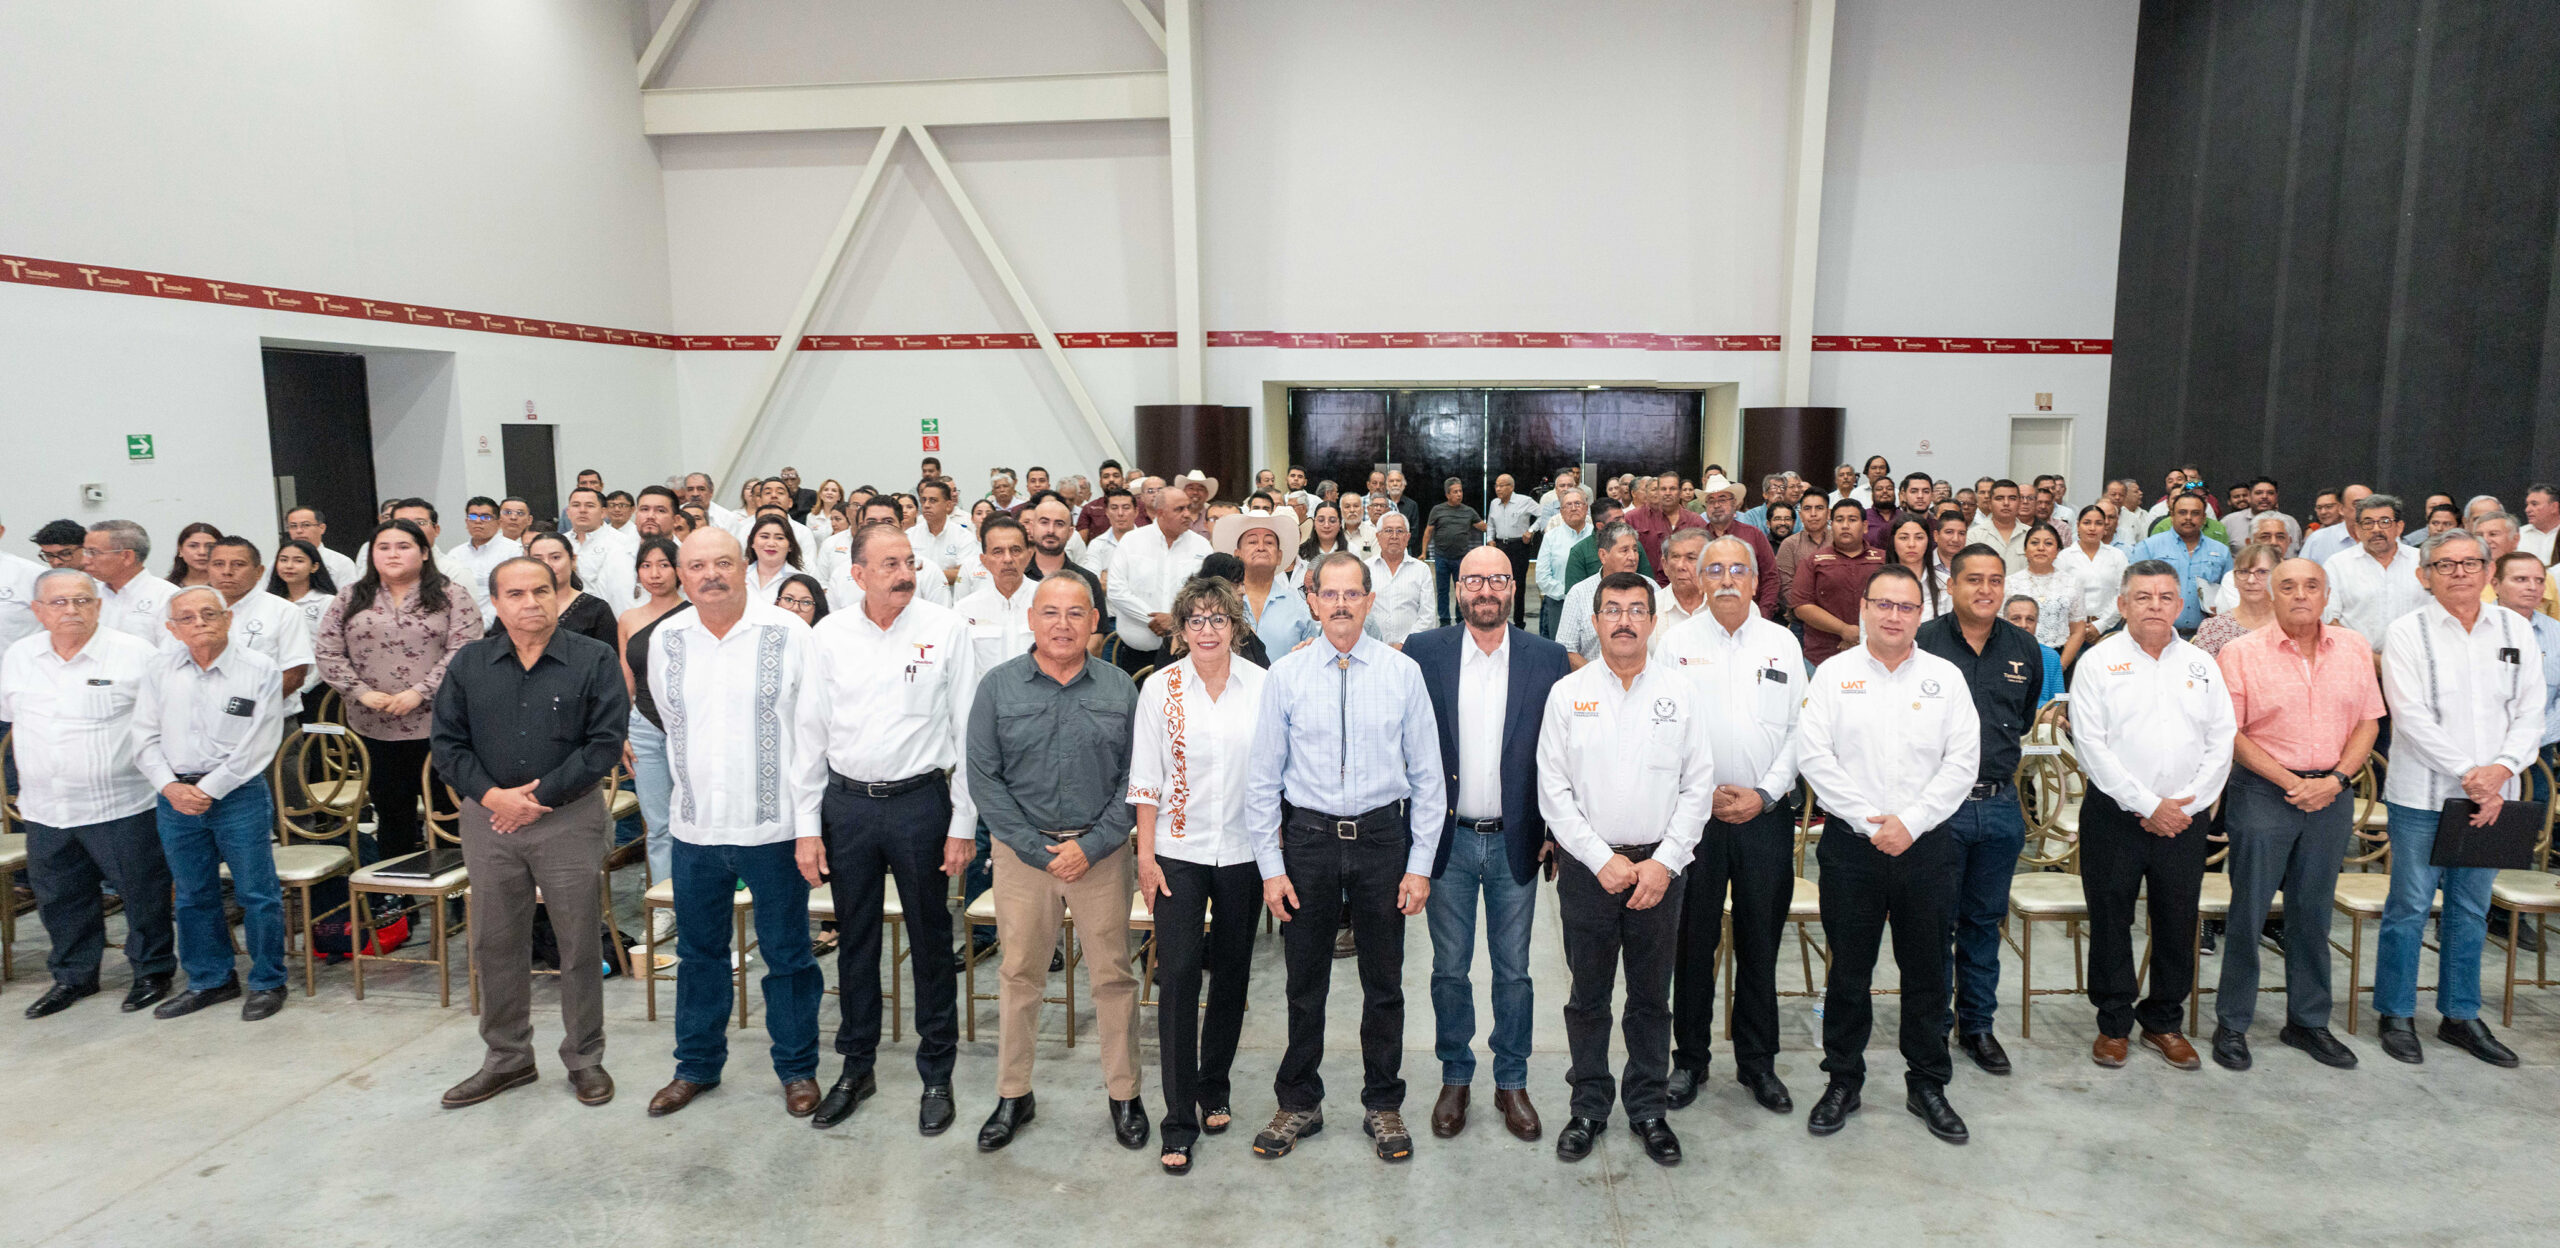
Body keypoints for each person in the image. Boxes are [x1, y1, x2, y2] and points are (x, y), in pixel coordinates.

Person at [1242, 551, 1445, 1163]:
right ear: (1311, 601)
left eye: (1351, 594)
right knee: (1306, 982)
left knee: (1384, 983)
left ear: (1368, 599)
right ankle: (1299, 1100)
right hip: (1307, 841)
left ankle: (1382, 1102)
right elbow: (1260, 782)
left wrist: (1420, 864)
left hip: (1385, 840)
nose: (1339, 605)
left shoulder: (1403, 674)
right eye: (1327, 594)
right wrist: (1270, 870)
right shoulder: (1286, 675)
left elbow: (1430, 778)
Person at [798, 522, 978, 1133]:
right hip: (846, 808)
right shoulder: (828, 636)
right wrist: (807, 826)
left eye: (909, 562)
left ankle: (937, 1073)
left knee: (931, 942)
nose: (904, 573)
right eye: (889, 564)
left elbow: (966, 735)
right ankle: (856, 1067)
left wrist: (962, 822)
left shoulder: (946, 630)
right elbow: (809, 736)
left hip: (920, 805)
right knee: (855, 942)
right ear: (857, 575)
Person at [640, 530, 826, 1121]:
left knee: (789, 956)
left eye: (723, 562)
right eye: (697, 566)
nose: (711, 575)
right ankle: (695, 1066)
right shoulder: (665, 639)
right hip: (696, 828)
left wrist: (808, 826)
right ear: (680, 574)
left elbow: (814, 733)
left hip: (773, 828)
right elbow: (671, 725)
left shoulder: (790, 633)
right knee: (699, 956)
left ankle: (797, 1070)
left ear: (745, 566)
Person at [429, 557, 629, 1108]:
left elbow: (604, 744)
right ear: (495, 603)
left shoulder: (594, 658)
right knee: (495, 941)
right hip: (489, 819)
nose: (530, 603)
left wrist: (536, 799)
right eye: (515, 593)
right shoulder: (469, 664)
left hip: (567, 818)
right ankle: (508, 1058)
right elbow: (447, 744)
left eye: (541, 590)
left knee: (578, 941)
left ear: (558, 594)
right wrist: (495, 798)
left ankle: (585, 1057)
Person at [1795, 564, 1979, 1144]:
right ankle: (1843, 1079)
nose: (1893, 616)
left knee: (1927, 971)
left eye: (1906, 607)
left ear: (1920, 614)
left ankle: (1927, 1083)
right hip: (1854, 850)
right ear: (1864, 609)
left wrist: (1911, 822)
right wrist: (1871, 822)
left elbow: (1961, 763)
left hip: (1928, 849)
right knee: (1849, 971)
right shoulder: (1832, 675)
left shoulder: (1946, 679)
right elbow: (1814, 755)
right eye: (1883, 605)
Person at [1532, 571, 1710, 1166]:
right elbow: (1552, 789)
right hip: (1590, 868)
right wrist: (1599, 857)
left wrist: (1664, 863)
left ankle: (1648, 1108)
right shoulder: (1569, 693)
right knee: (1588, 996)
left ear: (1654, 623)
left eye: (1637, 609)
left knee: (1650, 998)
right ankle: (1588, 1105)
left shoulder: (1680, 693)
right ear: (1596, 620)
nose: (1625, 620)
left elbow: (1698, 787)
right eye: (1613, 610)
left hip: (1663, 866)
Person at [965, 575, 1146, 1153]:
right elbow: (983, 779)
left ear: (1096, 621)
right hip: (1025, 857)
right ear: (1031, 619)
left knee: (1114, 977)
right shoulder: (997, 688)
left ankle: (1125, 1094)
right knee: (1020, 974)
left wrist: (1090, 846)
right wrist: (1032, 846)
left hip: (1102, 854)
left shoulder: (1119, 688)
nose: (1062, 624)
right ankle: (1014, 1093)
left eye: (1075, 613)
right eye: (1050, 612)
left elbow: (1136, 780)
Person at [1406, 547, 1571, 1145]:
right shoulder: (1424, 653)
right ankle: (1455, 1075)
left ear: (1513, 587)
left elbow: (1562, 754)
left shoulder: (1548, 659)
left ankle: (1512, 1079)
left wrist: (1555, 829)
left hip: (1516, 843)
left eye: (1498, 580)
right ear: (1458, 590)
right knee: (1448, 969)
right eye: (1473, 579)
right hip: (1446, 841)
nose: (1485, 590)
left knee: (1515, 972)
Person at [2372, 529, 2542, 1067]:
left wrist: (2499, 771)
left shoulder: (2515, 628)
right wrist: (2471, 772)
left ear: (2490, 572)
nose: (2461, 572)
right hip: (2422, 795)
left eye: (2472, 563)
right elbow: (2410, 714)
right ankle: (2395, 1013)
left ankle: (2461, 1015)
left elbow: (2531, 710)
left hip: (2495, 799)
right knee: (2409, 908)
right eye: (2446, 565)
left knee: (2470, 910)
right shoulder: (2407, 631)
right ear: (2425, 576)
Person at [2210, 557, 2381, 1072]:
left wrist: (2336, 781)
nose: (2300, 595)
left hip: (2332, 793)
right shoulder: (2240, 652)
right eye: (2288, 586)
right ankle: (2233, 1023)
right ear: (2271, 592)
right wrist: (2291, 782)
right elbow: (2231, 733)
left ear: (2327, 595)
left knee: (2313, 912)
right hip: (2264, 792)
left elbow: (2369, 721)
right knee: (2249, 913)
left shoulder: (2352, 648)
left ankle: (2307, 1022)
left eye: (2312, 586)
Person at [1657, 535, 1805, 1115]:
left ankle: (1757, 1062)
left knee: (1760, 942)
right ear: (1694, 576)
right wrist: (1701, 796)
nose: (1724, 578)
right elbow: (1663, 729)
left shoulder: (1782, 644)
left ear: (1753, 578)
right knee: (1692, 943)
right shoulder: (1674, 644)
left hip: (1764, 817)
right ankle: (1689, 1060)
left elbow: (1800, 730)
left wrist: (1765, 793)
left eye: (1735, 569)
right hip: (1694, 821)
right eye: (1711, 568)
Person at [2069, 561, 2236, 1071]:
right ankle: (2113, 1024)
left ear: (2180, 606)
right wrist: (2147, 805)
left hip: (2184, 820)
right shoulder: (2097, 663)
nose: (2155, 606)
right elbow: (2091, 745)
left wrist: (2185, 805)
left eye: (2166, 597)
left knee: (2176, 921)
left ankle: (2164, 1021)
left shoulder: (2202, 665)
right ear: (2122, 605)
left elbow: (2221, 738)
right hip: (2115, 816)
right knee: (2112, 919)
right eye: (2142, 597)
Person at [1128, 575, 1270, 1173]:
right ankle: (1178, 1118)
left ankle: (1215, 1085)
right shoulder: (1160, 689)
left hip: (1244, 851)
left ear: (1235, 626)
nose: (1206, 630)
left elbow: (1276, 775)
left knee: (1233, 975)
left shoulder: (1265, 687)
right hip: (1178, 853)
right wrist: (1145, 854)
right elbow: (1146, 775)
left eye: (1217, 619)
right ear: (1180, 631)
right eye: (1195, 620)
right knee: (1180, 975)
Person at [3, 569, 177, 1017]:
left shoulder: (133, 654)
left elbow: (165, 722)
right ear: (38, 611)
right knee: (61, 897)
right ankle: (74, 977)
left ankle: (152, 971)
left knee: (142, 891)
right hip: (46, 809)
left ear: (98, 606)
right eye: (59, 603)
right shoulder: (20, 656)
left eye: (83, 601)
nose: (72, 611)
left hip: (121, 805)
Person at [1905, 544, 2044, 1076]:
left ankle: (1978, 1026)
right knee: (1935, 924)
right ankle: (1932, 1026)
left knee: (1985, 922)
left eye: (1995, 580)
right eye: (1973, 581)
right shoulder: (1925, 642)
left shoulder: (2024, 648)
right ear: (1951, 587)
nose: (1986, 590)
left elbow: (2024, 716)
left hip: (2002, 806)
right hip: (1939, 809)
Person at [123, 586, 285, 1022]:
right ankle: (210, 979)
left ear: (228, 618)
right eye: (187, 618)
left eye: (208, 614)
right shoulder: (159, 669)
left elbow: (261, 742)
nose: (199, 623)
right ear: (172, 629)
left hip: (238, 796)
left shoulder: (259, 669)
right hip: (174, 796)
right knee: (193, 895)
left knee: (257, 893)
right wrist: (169, 786)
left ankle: (268, 980)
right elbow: (143, 735)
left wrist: (210, 788)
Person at [315, 519, 483, 858]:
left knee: (449, 813)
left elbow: (466, 650)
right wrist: (360, 692)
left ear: (423, 553)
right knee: (392, 817)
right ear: (372, 555)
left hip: (441, 725)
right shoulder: (350, 596)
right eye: (384, 547)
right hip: (375, 725)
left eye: (403, 546)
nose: (393, 554)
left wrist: (420, 691)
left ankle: (456, 899)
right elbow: (327, 651)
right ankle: (399, 902)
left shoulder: (451, 595)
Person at [616, 535, 689, 939]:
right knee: (658, 825)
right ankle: (666, 905)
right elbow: (626, 681)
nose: (655, 573)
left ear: (678, 569)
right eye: (647, 565)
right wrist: (621, 731)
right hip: (643, 726)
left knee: (696, 819)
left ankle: (702, 899)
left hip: (691, 726)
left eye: (663, 564)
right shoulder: (629, 618)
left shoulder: (695, 612)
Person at [1107, 485, 1210, 677]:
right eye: (1179, 509)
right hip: (1136, 655)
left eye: (1188, 508)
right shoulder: (1132, 541)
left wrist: (1176, 620)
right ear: (1160, 513)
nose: (1188, 514)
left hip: (1185, 654)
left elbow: (1208, 595)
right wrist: (1153, 619)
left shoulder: (1202, 546)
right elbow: (1116, 591)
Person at [205, 537, 313, 716]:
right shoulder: (195, 611)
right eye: (218, 564)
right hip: (207, 720)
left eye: (238, 564)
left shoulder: (284, 611)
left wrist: (248, 709)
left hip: (268, 720)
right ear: (208, 569)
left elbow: (295, 675)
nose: (227, 571)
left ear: (259, 571)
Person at [2323, 494, 2424, 659]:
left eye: (2385, 522)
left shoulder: (2422, 562)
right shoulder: (2337, 565)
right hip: (2356, 663)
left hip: (2415, 663)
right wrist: (2370, 660)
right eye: (2368, 523)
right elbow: (2330, 622)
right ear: (2357, 529)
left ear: (2399, 527)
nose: (2376, 529)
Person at [1791, 499, 1885, 667]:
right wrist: (1844, 630)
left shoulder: (1883, 560)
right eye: (1839, 520)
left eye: (1852, 520)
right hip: (1823, 656)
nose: (1845, 525)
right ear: (1831, 525)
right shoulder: (1813, 561)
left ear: (1864, 526)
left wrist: (1860, 635)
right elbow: (1801, 606)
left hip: (1877, 654)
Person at [2132, 492, 2231, 634]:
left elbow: (2230, 594)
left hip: (2205, 637)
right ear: (2172, 515)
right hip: (2157, 633)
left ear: (2204, 518)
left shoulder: (2221, 551)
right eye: (2182, 512)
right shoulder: (2149, 547)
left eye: (2195, 513)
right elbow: (2134, 591)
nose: (2188, 518)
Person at [1556, 522, 1644, 667]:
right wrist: (1598, 679)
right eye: (1624, 550)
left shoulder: (1651, 588)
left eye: (1635, 550)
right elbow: (1567, 649)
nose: (1632, 557)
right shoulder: (1579, 594)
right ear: (1603, 555)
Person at [1692, 474, 1781, 617]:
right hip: (1705, 616)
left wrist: (1762, 615)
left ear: (1734, 503)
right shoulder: (1697, 539)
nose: (1716, 505)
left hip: (1750, 615)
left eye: (1722, 499)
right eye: (1711, 501)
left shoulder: (1754, 535)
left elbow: (1770, 578)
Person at [520, 531, 619, 650]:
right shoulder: (517, 606)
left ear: (573, 560)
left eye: (555, 557)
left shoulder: (597, 610)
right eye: (538, 559)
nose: (547, 565)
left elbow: (610, 661)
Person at [84, 520, 179, 642]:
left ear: (127, 557)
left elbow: (172, 654)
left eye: (93, 552)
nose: (85, 561)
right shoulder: (88, 593)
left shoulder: (167, 597)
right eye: (85, 552)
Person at [2010, 524, 2088, 669]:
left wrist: (2059, 667)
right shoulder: (2010, 583)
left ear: (2057, 551)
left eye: (2048, 543)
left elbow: (2078, 631)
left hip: (2061, 658)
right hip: (2019, 660)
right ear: (2025, 550)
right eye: (2034, 543)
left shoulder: (2072, 583)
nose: (2041, 548)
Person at [445, 497, 523, 626]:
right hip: (462, 626)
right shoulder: (455, 554)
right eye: (473, 517)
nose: (478, 521)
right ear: (466, 521)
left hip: (501, 625)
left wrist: (484, 624)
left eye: (486, 517)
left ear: (499, 523)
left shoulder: (513, 551)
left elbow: (514, 594)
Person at [2195, 541, 2280, 655]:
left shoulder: (2289, 625)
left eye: (2262, 572)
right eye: (2243, 572)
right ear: (2234, 579)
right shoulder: (2213, 629)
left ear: (2277, 577)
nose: (2251, 580)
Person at [2058, 504, 2129, 638]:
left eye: (2098, 523)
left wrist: (2101, 625)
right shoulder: (2064, 557)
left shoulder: (2117, 556)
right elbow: (2059, 594)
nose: (2092, 528)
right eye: (2087, 523)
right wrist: (2077, 625)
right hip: (2071, 630)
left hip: (2109, 629)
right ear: (2078, 526)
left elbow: (2124, 593)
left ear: (2105, 528)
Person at [1422, 477, 1485, 627]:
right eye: (1455, 492)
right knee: (1442, 591)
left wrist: (1497, 527)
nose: (1459, 494)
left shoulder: (1468, 511)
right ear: (1447, 494)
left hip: (1461, 559)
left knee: (1462, 591)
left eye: (1460, 491)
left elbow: (1483, 526)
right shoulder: (1437, 510)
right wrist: (1423, 552)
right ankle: (1444, 621)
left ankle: (1461, 619)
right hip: (1442, 557)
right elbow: (1428, 532)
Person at [1534, 486, 1594, 639]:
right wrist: (1569, 594)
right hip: (1560, 604)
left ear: (1586, 508)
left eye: (1578, 504)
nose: (1573, 508)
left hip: (1595, 604)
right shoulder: (1551, 537)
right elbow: (1542, 577)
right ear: (1561, 511)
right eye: (1568, 505)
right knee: (1561, 650)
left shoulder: (1597, 536)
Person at [1483, 474, 1540, 628]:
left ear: (1511, 487)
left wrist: (1531, 530)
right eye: (1496, 485)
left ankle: (1519, 623)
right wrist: (1490, 539)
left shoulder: (1525, 501)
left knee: (1518, 586)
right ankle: (1499, 619)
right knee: (1498, 584)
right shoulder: (1494, 503)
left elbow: (1543, 515)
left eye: (1502, 485)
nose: (1498, 489)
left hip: (1519, 546)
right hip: (1500, 546)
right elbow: (1491, 524)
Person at [1652, 528, 1712, 638]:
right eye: (1675, 557)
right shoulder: (1650, 608)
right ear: (1665, 565)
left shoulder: (1734, 605)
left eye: (1691, 558)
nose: (1680, 566)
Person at [285, 506, 363, 587]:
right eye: (293, 526)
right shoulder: (280, 563)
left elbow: (349, 597)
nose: (299, 531)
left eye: (306, 525)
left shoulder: (341, 563)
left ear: (322, 528)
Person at [1967, 481, 2031, 573]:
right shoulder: (1974, 536)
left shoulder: (2031, 535)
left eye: (2012, 498)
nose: (2006, 503)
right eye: (1999, 498)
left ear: (2019, 503)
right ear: (1989, 504)